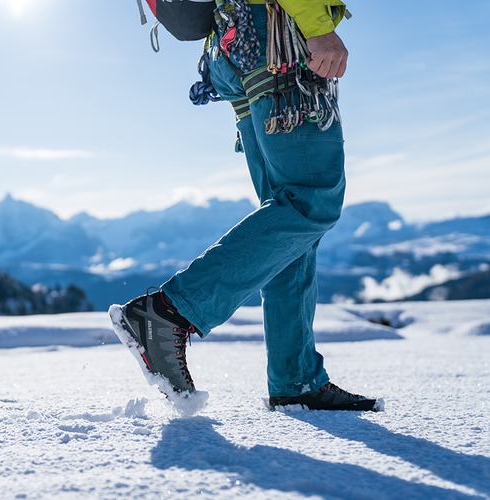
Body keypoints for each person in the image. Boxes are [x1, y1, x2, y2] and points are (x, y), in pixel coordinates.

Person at [110, 0, 383, 412]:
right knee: (309, 198)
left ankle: (297, 379)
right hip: (274, 34)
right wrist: (315, 23)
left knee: (288, 226)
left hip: (234, 45)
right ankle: (169, 313)